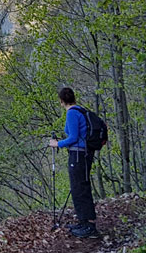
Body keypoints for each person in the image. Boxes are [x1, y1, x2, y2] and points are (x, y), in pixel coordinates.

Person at [49, 87, 100, 238]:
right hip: (84, 154)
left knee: (79, 189)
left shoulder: (72, 113)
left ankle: (89, 226)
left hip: (78, 155)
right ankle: (84, 222)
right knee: (80, 187)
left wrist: (57, 144)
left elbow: (73, 138)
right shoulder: (81, 110)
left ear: (61, 101)